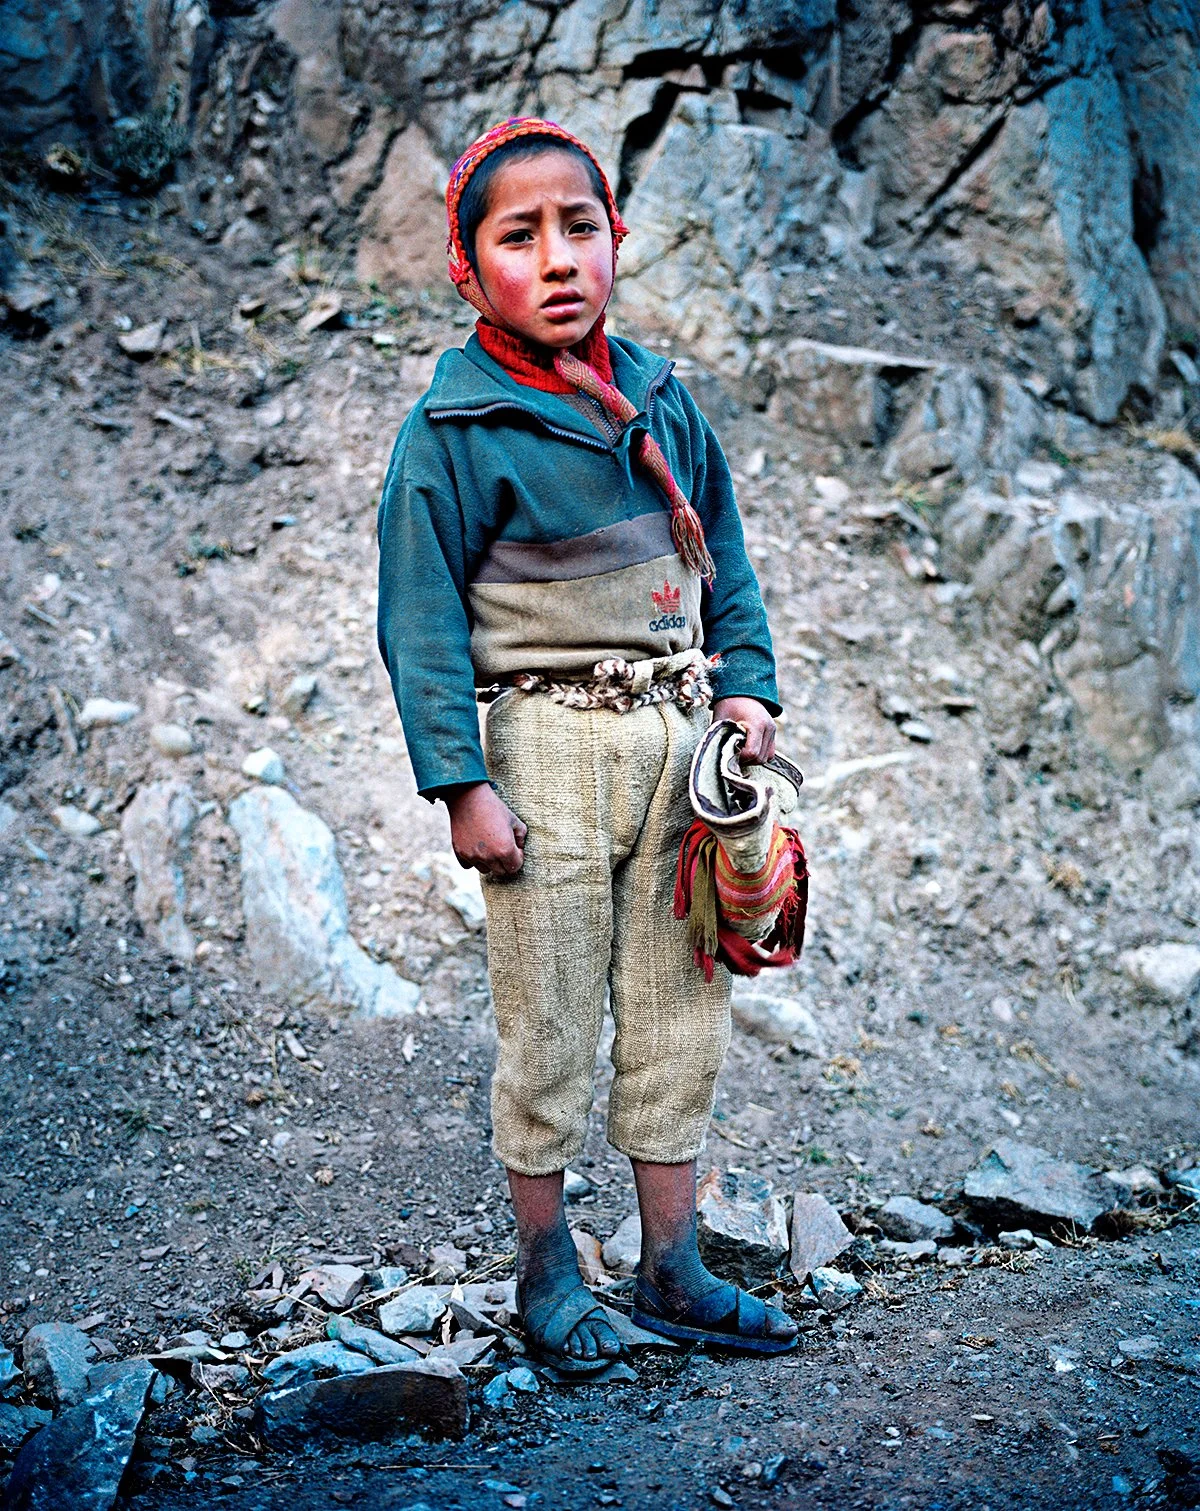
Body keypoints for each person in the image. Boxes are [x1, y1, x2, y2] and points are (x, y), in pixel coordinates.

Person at [376, 117, 797, 1372]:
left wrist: (748, 689)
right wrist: (460, 782)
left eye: (581, 226)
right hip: (547, 753)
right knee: (550, 1019)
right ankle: (547, 1271)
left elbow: (724, 559)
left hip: (678, 743)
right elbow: (420, 622)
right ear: (468, 268)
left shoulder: (664, 402)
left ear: (618, 239)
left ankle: (673, 1266)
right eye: (520, 236)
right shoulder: (452, 435)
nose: (558, 257)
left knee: (682, 1008)